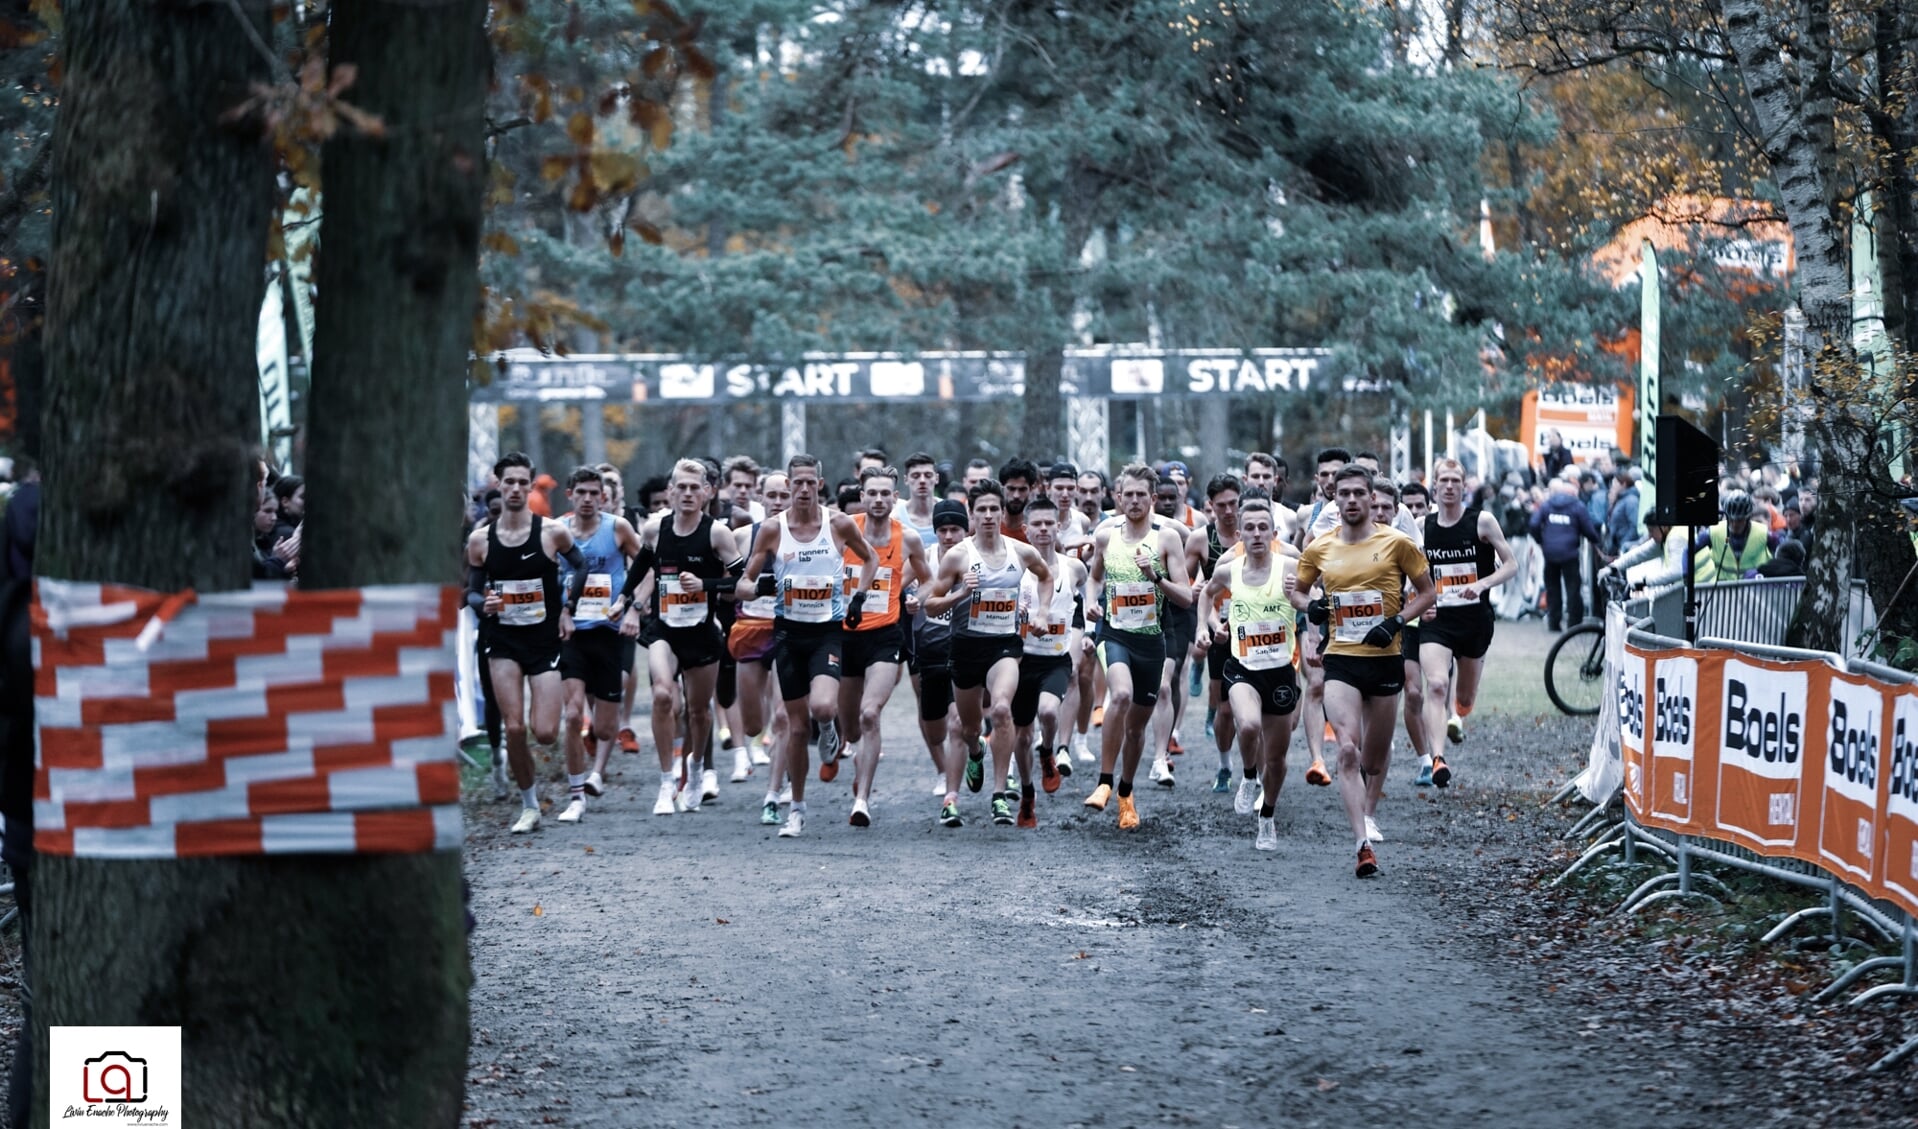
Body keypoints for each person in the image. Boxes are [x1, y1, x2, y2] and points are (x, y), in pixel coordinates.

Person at [1292, 464, 1436, 878]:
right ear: (1334, 499)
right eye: (1345, 494)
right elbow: (1300, 594)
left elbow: (1427, 593)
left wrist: (1396, 622)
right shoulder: (1320, 547)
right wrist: (1314, 607)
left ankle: (1369, 809)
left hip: (1386, 660)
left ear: (1372, 499)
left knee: (1373, 760)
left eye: (1359, 493)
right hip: (1342, 660)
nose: (1352, 500)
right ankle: (1362, 844)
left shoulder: (1397, 543)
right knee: (1348, 751)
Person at [733, 454, 878, 838]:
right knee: (795, 729)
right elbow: (742, 585)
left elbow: (870, 558)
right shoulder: (770, 529)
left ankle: (829, 729)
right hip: (787, 634)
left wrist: (859, 597)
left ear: (820, 483)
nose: (801, 490)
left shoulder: (838, 524)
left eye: (809, 483)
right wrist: (759, 586)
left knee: (824, 706)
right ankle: (796, 808)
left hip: (827, 631)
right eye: (795, 483)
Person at [465, 452, 588, 834]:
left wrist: (567, 607)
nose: (516, 489)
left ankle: (565, 790)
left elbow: (580, 566)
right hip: (501, 639)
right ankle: (529, 805)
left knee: (546, 731)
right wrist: (481, 603)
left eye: (523, 482)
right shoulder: (480, 540)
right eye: (509, 482)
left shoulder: (552, 532)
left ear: (531, 485)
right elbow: (469, 593)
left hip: (543, 639)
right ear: (497, 485)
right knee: (515, 728)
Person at [922, 478, 1052, 827]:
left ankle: (998, 796)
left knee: (1001, 709)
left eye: (995, 508)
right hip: (965, 647)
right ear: (972, 514)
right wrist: (960, 594)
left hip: (1004, 645)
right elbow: (931, 606)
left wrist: (1041, 612)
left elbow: (1046, 575)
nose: (990, 515)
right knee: (967, 728)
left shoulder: (1020, 552)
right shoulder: (958, 555)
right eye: (983, 509)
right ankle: (976, 751)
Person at [620, 459, 743, 815]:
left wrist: (705, 585)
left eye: (695, 487)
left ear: (707, 492)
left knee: (699, 712)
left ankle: (694, 768)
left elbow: (740, 582)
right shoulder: (655, 529)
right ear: (671, 492)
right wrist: (625, 601)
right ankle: (665, 782)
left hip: (703, 633)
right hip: (664, 629)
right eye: (681, 487)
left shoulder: (718, 533)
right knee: (662, 694)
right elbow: (642, 566)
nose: (688, 494)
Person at [1083, 463, 1194, 830]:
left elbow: (1185, 597)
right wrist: (1090, 601)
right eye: (1127, 494)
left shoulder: (1166, 539)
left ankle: (1126, 794)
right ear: (1117, 498)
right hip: (1114, 635)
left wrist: (1154, 576)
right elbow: (1093, 578)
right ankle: (1103, 782)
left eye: (1141, 495)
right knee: (1120, 697)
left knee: (1136, 729)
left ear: (1152, 499)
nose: (1134, 501)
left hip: (1152, 641)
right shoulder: (1105, 535)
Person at [1196, 496, 1298, 851]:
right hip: (1242, 667)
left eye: (1263, 528)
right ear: (1240, 534)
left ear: (1274, 532)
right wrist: (1206, 627)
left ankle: (1267, 816)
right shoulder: (1229, 569)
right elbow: (1206, 595)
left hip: (1281, 671)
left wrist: (1301, 598)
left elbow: (1315, 595)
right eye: (1249, 529)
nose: (1256, 534)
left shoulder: (1291, 566)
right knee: (1249, 725)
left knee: (1278, 758)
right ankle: (1248, 776)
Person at [834, 465, 933, 826]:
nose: (878, 499)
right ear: (861, 497)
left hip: (884, 637)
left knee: (870, 714)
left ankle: (862, 800)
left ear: (896, 497)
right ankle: (838, 742)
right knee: (849, 727)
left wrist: (915, 598)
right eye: (871, 493)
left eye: (885, 493)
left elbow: (928, 581)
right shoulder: (843, 532)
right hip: (842, 636)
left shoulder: (907, 538)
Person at [1417, 458, 1517, 786]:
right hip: (1437, 619)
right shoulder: (1422, 527)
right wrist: (1415, 600)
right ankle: (1437, 760)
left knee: (1465, 697)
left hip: (1474, 620)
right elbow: (1410, 576)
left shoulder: (1482, 522)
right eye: (1442, 480)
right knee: (1435, 685)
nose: (1448, 486)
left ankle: (1459, 712)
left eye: (1454, 481)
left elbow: (1511, 565)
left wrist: (1482, 584)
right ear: (1434, 486)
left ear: (1464, 486)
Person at [554, 467, 644, 822]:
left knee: (606, 728)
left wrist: (635, 605)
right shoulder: (556, 530)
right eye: (582, 493)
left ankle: (599, 743)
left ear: (603, 497)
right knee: (572, 713)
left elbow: (646, 566)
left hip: (610, 630)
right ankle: (576, 795)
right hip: (571, 630)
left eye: (595, 493)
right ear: (570, 494)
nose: (588, 499)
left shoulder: (617, 528)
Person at [1011, 495, 1086, 824]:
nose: (1043, 530)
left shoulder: (1074, 568)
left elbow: (1087, 592)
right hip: (1020, 659)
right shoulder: (1014, 568)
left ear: (1058, 527)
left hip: (1055, 659)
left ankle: (1048, 751)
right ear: (1026, 530)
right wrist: (1018, 614)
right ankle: (1028, 794)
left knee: (1048, 711)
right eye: (1036, 524)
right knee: (1022, 734)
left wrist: (1084, 628)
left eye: (1048, 524)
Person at [1528, 470, 1602, 630]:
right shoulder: (1577, 506)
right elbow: (1588, 528)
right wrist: (1596, 541)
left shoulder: (1548, 505)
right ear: (1574, 493)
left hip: (1550, 554)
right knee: (1573, 589)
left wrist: (1542, 541)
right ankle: (1574, 625)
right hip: (1570, 553)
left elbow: (1533, 524)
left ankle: (1554, 623)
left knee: (1552, 589)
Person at [1691, 490, 1778, 582]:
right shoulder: (1714, 531)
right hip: (1723, 588)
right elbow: (1688, 550)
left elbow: (1781, 554)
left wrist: (1767, 571)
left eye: (1739, 520)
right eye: (1731, 519)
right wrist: (1686, 574)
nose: (1734, 524)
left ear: (1747, 518)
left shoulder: (1764, 533)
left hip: (1753, 587)